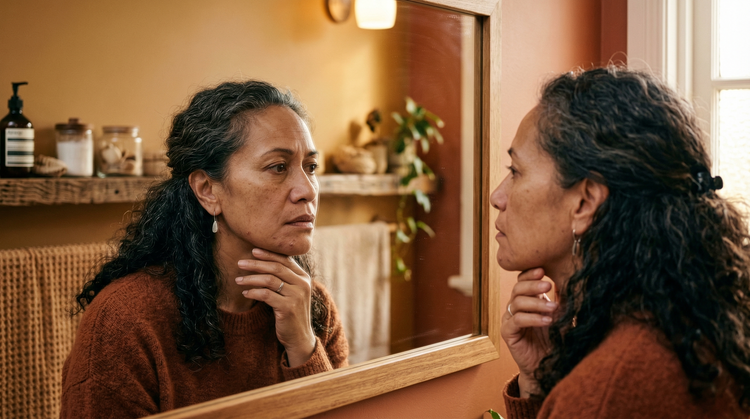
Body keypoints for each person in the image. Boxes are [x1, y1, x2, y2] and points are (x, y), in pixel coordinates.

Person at [61, 80, 349, 418]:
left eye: (310, 167)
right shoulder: (125, 321)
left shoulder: (312, 308)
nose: (307, 190)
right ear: (208, 190)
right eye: (278, 167)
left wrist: (303, 346)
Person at [494, 67, 750, 418]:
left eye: (515, 172)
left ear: (584, 203)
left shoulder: (609, 391)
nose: (498, 196)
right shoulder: (690, 323)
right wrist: (543, 379)